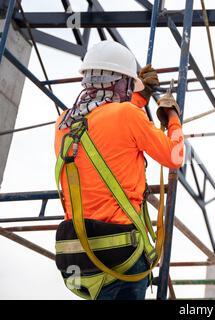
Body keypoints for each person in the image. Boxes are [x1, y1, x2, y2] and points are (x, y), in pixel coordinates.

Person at [53, 40, 184, 300]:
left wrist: (140, 96)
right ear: (120, 82)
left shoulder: (64, 123)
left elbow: (104, 121)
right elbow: (174, 156)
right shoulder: (128, 115)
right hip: (121, 251)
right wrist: (172, 117)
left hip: (79, 255)